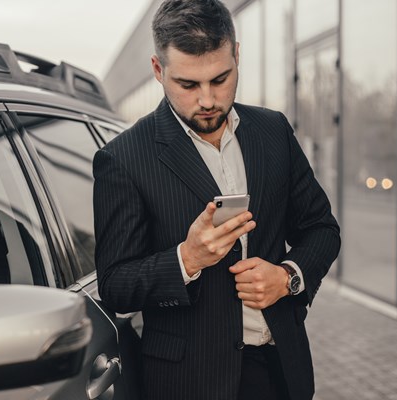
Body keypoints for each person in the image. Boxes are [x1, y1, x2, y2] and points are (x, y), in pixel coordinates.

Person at [93, 1, 341, 399]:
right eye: (188, 85)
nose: (207, 100)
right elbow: (115, 285)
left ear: (237, 55)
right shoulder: (122, 158)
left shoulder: (273, 130)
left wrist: (288, 277)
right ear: (158, 71)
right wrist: (187, 258)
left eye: (221, 79)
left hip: (280, 371)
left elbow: (322, 230)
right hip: (189, 383)